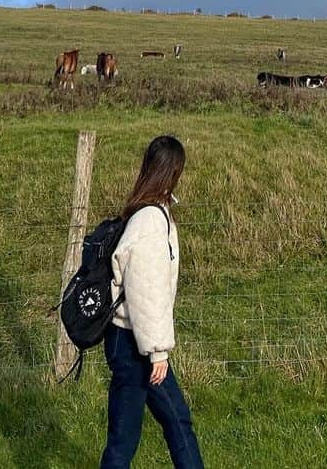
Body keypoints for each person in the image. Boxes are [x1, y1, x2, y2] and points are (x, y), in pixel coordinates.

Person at [100, 135, 204, 469]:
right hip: (135, 345)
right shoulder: (149, 221)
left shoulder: (151, 211)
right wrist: (157, 352)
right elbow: (146, 290)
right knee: (123, 442)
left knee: (177, 421)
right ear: (173, 172)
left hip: (136, 341)